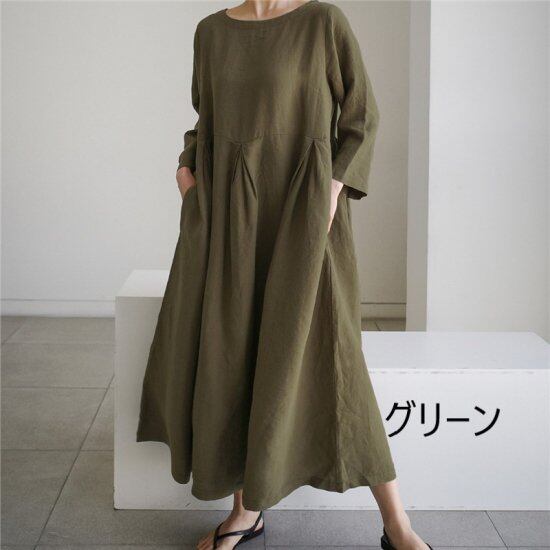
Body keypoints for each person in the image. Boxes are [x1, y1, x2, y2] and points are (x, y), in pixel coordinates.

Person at [136, 1, 433, 549]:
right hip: (226, 218)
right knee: (234, 352)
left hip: (305, 214)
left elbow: (361, 118)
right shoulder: (211, 32)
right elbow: (206, 120)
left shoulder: (323, 23)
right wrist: (187, 174)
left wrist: (331, 191)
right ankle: (244, 513)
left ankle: (398, 525)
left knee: (337, 360)